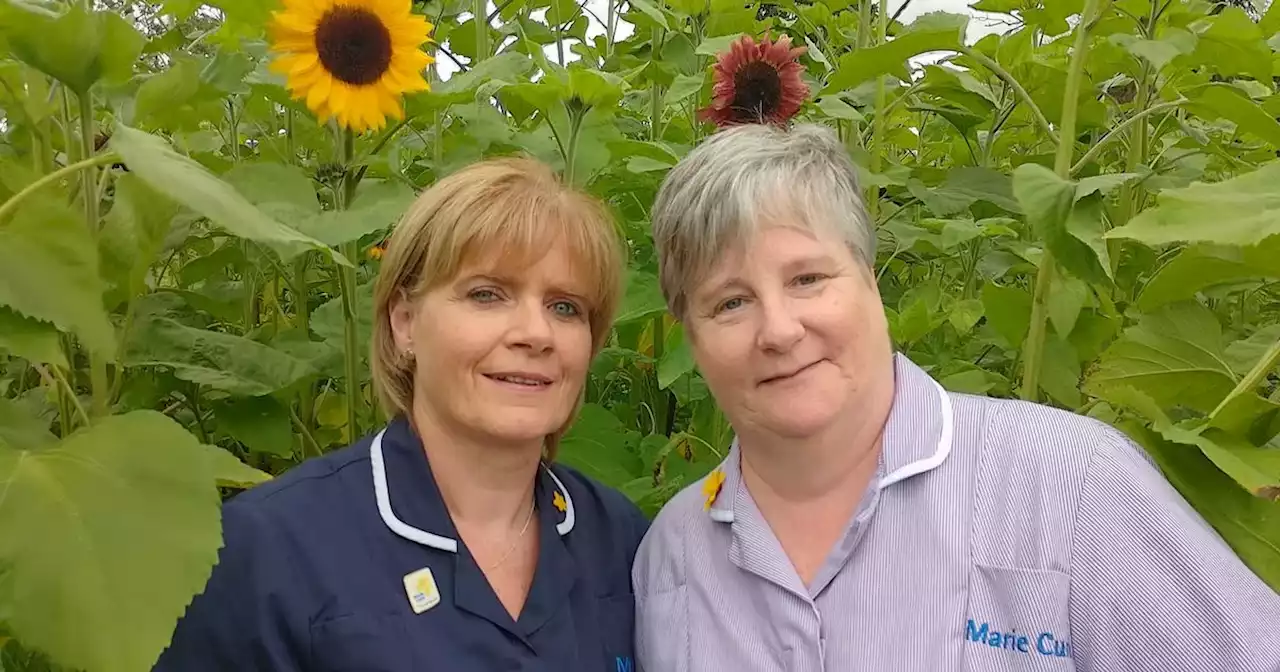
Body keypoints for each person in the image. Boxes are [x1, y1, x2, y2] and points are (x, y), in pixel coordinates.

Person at [630, 122, 1280, 671]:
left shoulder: (1072, 487)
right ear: (690, 333)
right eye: (730, 302)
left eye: (807, 278)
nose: (778, 329)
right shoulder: (673, 558)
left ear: (870, 279)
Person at [154, 156, 649, 671]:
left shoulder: (619, 541)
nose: (536, 333)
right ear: (404, 322)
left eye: (565, 307)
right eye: (487, 295)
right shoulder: (269, 553)